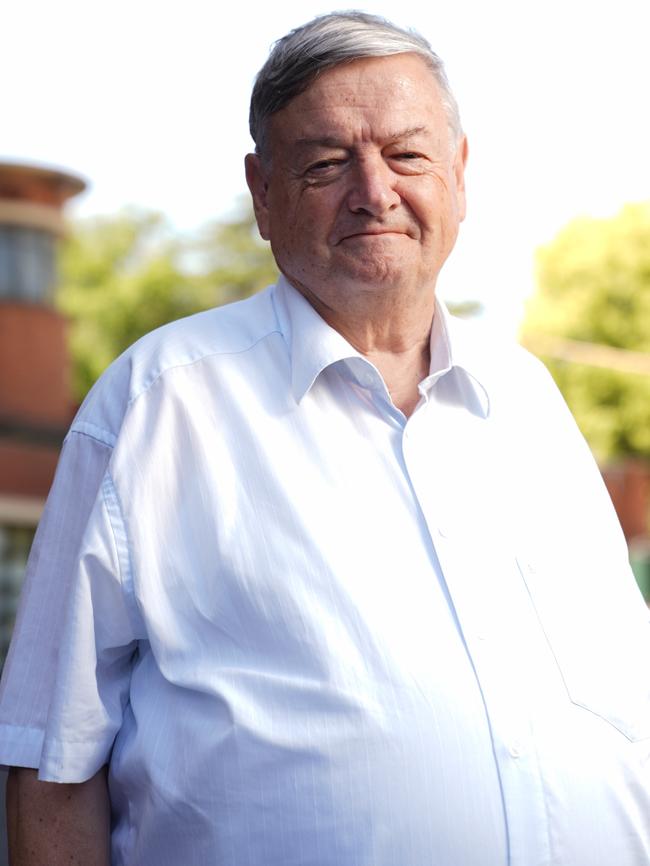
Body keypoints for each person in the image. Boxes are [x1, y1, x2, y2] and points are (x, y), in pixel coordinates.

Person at [1, 11, 649, 866]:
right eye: (327, 162)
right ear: (262, 192)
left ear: (459, 175)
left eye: (408, 155)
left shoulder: (529, 401)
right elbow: (54, 764)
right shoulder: (158, 405)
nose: (375, 191)